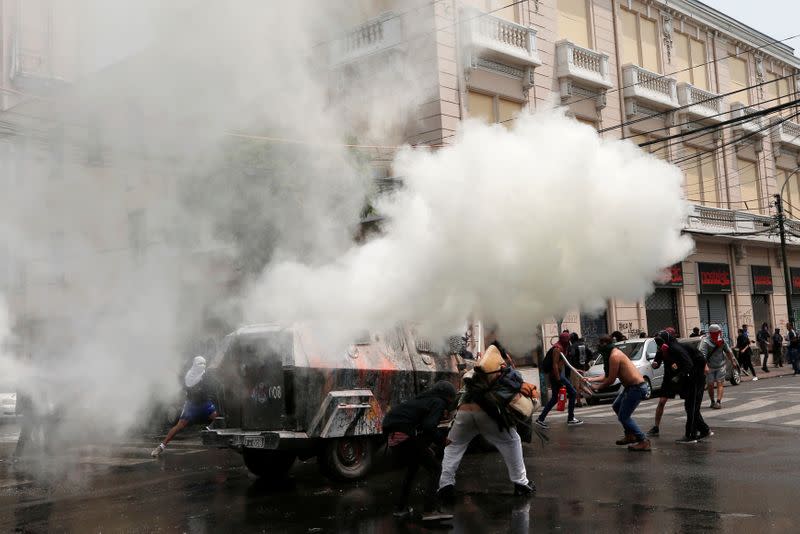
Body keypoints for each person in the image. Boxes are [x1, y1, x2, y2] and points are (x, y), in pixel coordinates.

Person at [438, 344, 537, 499]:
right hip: (485, 412)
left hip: (464, 411)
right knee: (512, 441)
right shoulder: (501, 369)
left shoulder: (476, 370)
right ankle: (521, 484)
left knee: (453, 447)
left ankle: (445, 485)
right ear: (504, 357)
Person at [383, 381, 457, 521]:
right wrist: (442, 440)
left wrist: (423, 446)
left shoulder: (422, 400)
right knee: (435, 468)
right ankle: (429, 511)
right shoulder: (438, 402)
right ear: (447, 396)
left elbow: (419, 426)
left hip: (393, 437)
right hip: (405, 436)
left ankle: (400, 509)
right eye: (451, 399)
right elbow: (429, 426)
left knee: (413, 469)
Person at [584, 336, 651, 451]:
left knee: (624, 417)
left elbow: (610, 380)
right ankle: (630, 435)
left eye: (601, 343)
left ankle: (643, 440)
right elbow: (606, 375)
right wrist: (591, 380)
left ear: (606, 344)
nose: (599, 346)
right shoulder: (610, 354)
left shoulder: (614, 356)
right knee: (616, 406)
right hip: (630, 387)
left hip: (637, 388)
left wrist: (597, 387)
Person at [151, 356, 219, 457]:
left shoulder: (206, 374)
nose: (202, 366)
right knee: (179, 426)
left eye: (203, 364)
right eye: (200, 364)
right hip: (191, 406)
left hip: (205, 403)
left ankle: (209, 431)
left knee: (216, 417)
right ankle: (161, 447)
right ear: (194, 364)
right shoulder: (188, 377)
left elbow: (213, 371)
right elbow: (183, 382)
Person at [654, 329, 711, 443]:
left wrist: (679, 376)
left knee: (691, 407)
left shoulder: (676, 348)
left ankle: (691, 435)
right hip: (691, 379)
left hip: (695, 378)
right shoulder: (670, 349)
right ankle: (703, 430)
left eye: (660, 342)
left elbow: (689, 363)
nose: (659, 345)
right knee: (691, 407)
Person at [535, 332, 584, 429]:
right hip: (556, 375)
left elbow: (564, 362)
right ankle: (570, 418)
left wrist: (575, 369)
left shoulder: (563, 347)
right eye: (567, 340)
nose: (568, 342)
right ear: (563, 340)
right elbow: (555, 365)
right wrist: (558, 379)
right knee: (573, 393)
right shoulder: (557, 349)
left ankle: (540, 419)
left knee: (554, 398)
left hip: (558, 375)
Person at [647, 328, 680, 438]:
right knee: (661, 401)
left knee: (690, 402)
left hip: (681, 376)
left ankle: (694, 425)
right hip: (668, 377)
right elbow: (657, 361)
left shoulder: (677, 347)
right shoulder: (661, 348)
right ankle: (656, 427)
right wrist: (655, 364)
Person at [699, 325, 736, 409]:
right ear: (711, 333)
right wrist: (705, 366)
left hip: (721, 366)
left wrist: (732, 361)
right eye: (717, 333)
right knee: (710, 384)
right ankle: (712, 401)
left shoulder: (721, 341)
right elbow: (702, 355)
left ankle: (718, 402)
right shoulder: (705, 342)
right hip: (709, 367)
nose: (719, 334)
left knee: (720, 383)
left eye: (719, 332)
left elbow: (728, 352)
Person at [567, 333, 593, 408]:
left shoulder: (573, 346)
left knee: (576, 386)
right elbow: (590, 354)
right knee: (581, 385)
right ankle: (592, 395)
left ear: (572, 339)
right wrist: (585, 362)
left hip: (575, 368)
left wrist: (571, 364)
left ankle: (578, 402)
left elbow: (572, 355)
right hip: (583, 367)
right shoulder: (583, 344)